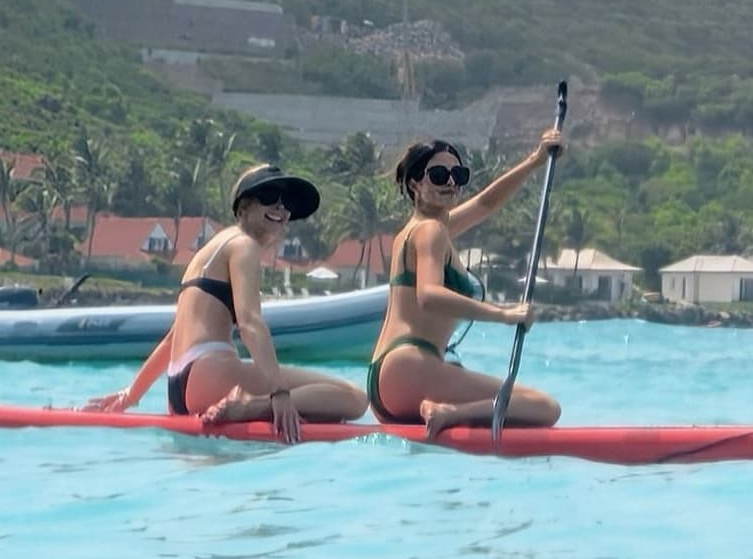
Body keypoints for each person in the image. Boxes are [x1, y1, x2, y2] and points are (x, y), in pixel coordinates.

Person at [84, 164, 367, 442]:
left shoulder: (207, 252)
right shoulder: (245, 245)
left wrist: (130, 395)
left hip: (180, 388)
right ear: (243, 208)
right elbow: (250, 322)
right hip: (212, 374)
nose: (281, 208)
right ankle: (252, 407)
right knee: (354, 398)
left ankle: (253, 405)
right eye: (269, 197)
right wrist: (278, 394)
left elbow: (173, 338)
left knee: (318, 409)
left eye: (286, 202)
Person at [368, 130, 564, 439]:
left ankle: (447, 411)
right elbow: (429, 295)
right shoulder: (430, 231)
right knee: (543, 407)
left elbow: (486, 203)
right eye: (438, 175)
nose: (450, 182)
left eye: (457, 174)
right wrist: (504, 314)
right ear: (415, 184)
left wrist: (535, 161)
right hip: (409, 368)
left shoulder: (418, 230)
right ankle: (450, 413)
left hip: (385, 380)